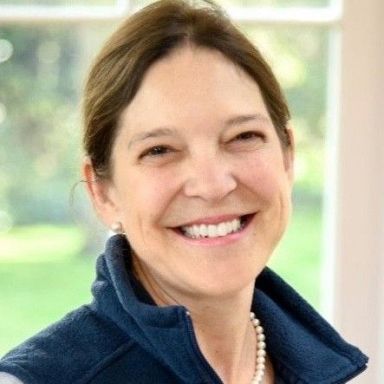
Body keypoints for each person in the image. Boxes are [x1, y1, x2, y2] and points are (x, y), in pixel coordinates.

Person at [0, 0, 368, 383]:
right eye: (159, 150)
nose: (212, 185)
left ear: (287, 156)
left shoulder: (326, 367)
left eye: (243, 136)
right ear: (103, 192)